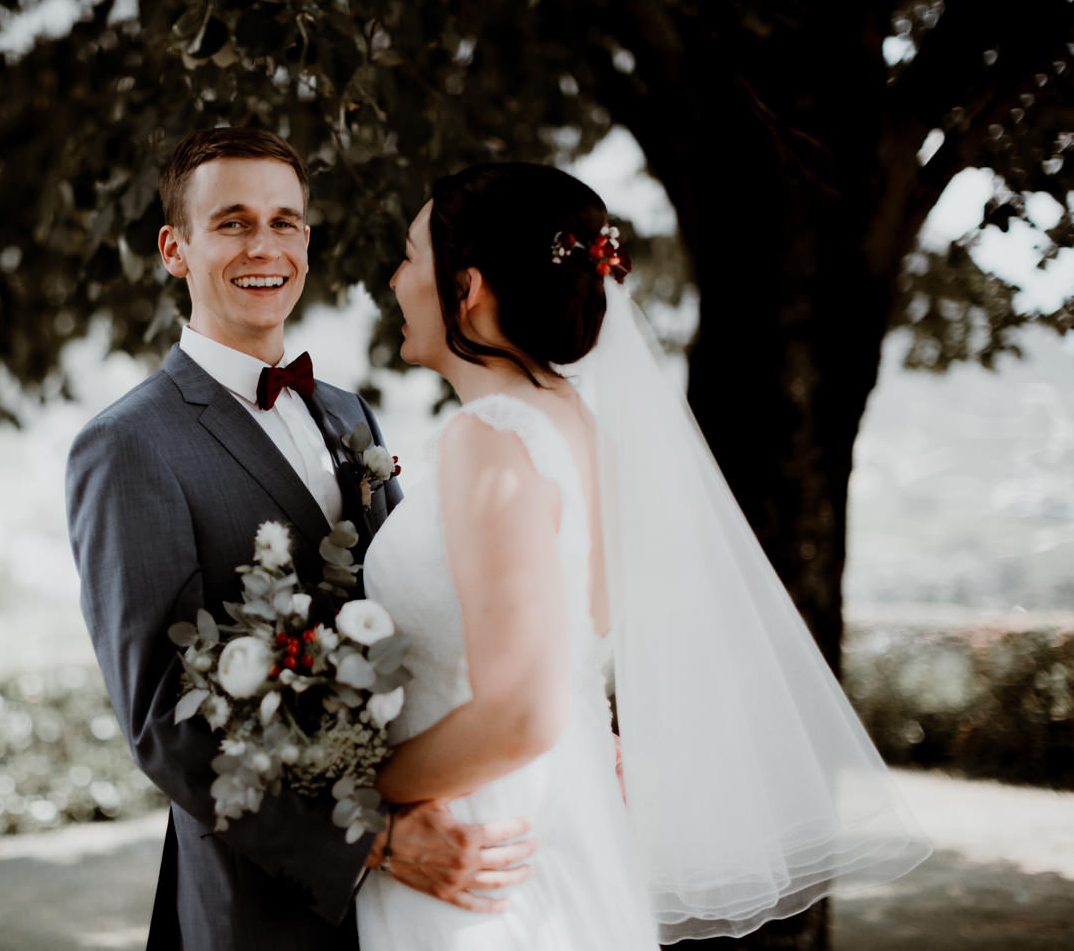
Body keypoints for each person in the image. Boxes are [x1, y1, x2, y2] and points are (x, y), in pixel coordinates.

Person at [353, 163, 932, 949]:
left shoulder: (489, 439)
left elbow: (521, 714)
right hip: (566, 814)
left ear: (469, 288)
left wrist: (350, 791)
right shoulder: (578, 429)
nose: (392, 279)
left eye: (411, 255)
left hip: (477, 853)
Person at [64, 129, 538, 951]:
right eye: (233, 222)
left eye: (285, 222)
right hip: (264, 901)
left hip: (432, 865)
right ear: (175, 249)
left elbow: (418, 615)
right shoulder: (129, 446)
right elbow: (161, 719)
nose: (265, 246)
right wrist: (370, 843)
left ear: (308, 244)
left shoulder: (348, 413)